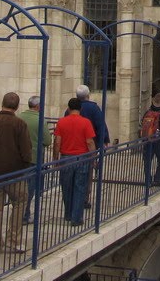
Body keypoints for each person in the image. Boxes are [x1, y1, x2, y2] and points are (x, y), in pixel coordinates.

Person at [0, 91, 32, 252]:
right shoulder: (19, 124)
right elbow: (26, 151)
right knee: (20, 202)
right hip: (15, 172)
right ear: (16, 106)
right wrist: (25, 165)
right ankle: (13, 239)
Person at [52, 97, 96, 226]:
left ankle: (68, 214)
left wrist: (55, 158)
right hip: (82, 158)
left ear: (69, 108)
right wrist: (93, 157)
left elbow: (57, 141)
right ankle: (76, 218)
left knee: (66, 187)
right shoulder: (86, 122)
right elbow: (90, 142)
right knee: (80, 188)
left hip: (66, 158)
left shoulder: (61, 122)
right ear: (80, 109)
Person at [76, 84, 109, 210]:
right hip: (89, 146)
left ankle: (74, 199)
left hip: (73, 147)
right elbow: (100, 125)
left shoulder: (72, 108)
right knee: (87, 174)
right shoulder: (93, 108)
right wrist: (104, 141)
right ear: (88, 95)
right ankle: (84, 199)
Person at [18, 95, 50, 223]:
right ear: (37, 106)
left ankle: (19, 212)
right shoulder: (40, 120)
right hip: (34, 158)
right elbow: (47, 140)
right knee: (29, 188)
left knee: (19, 185)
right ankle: (24, 215)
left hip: (19, 157)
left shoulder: (19, 117)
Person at [141, 92, 160, 186]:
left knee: (147, 161)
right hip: (159, 140)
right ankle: (158, 179)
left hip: (147, 140)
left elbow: (142, 123)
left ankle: (148, 180)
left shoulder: (148, 112)